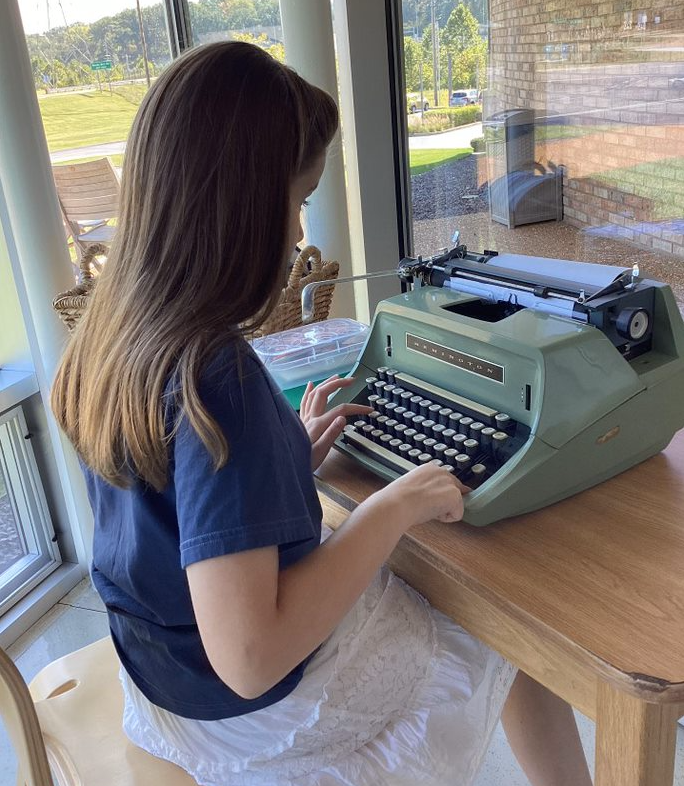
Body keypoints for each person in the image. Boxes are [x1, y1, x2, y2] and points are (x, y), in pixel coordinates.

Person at [51, 42, 592, 786]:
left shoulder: (114, 335)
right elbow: (250, 659)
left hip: (165, 681)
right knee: (511, 634)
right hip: (247, 711)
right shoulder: (219, 375)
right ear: (239, 204)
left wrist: (281, 468)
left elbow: (171, 504)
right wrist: (393, 506)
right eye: (299, 199)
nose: (302, 232)